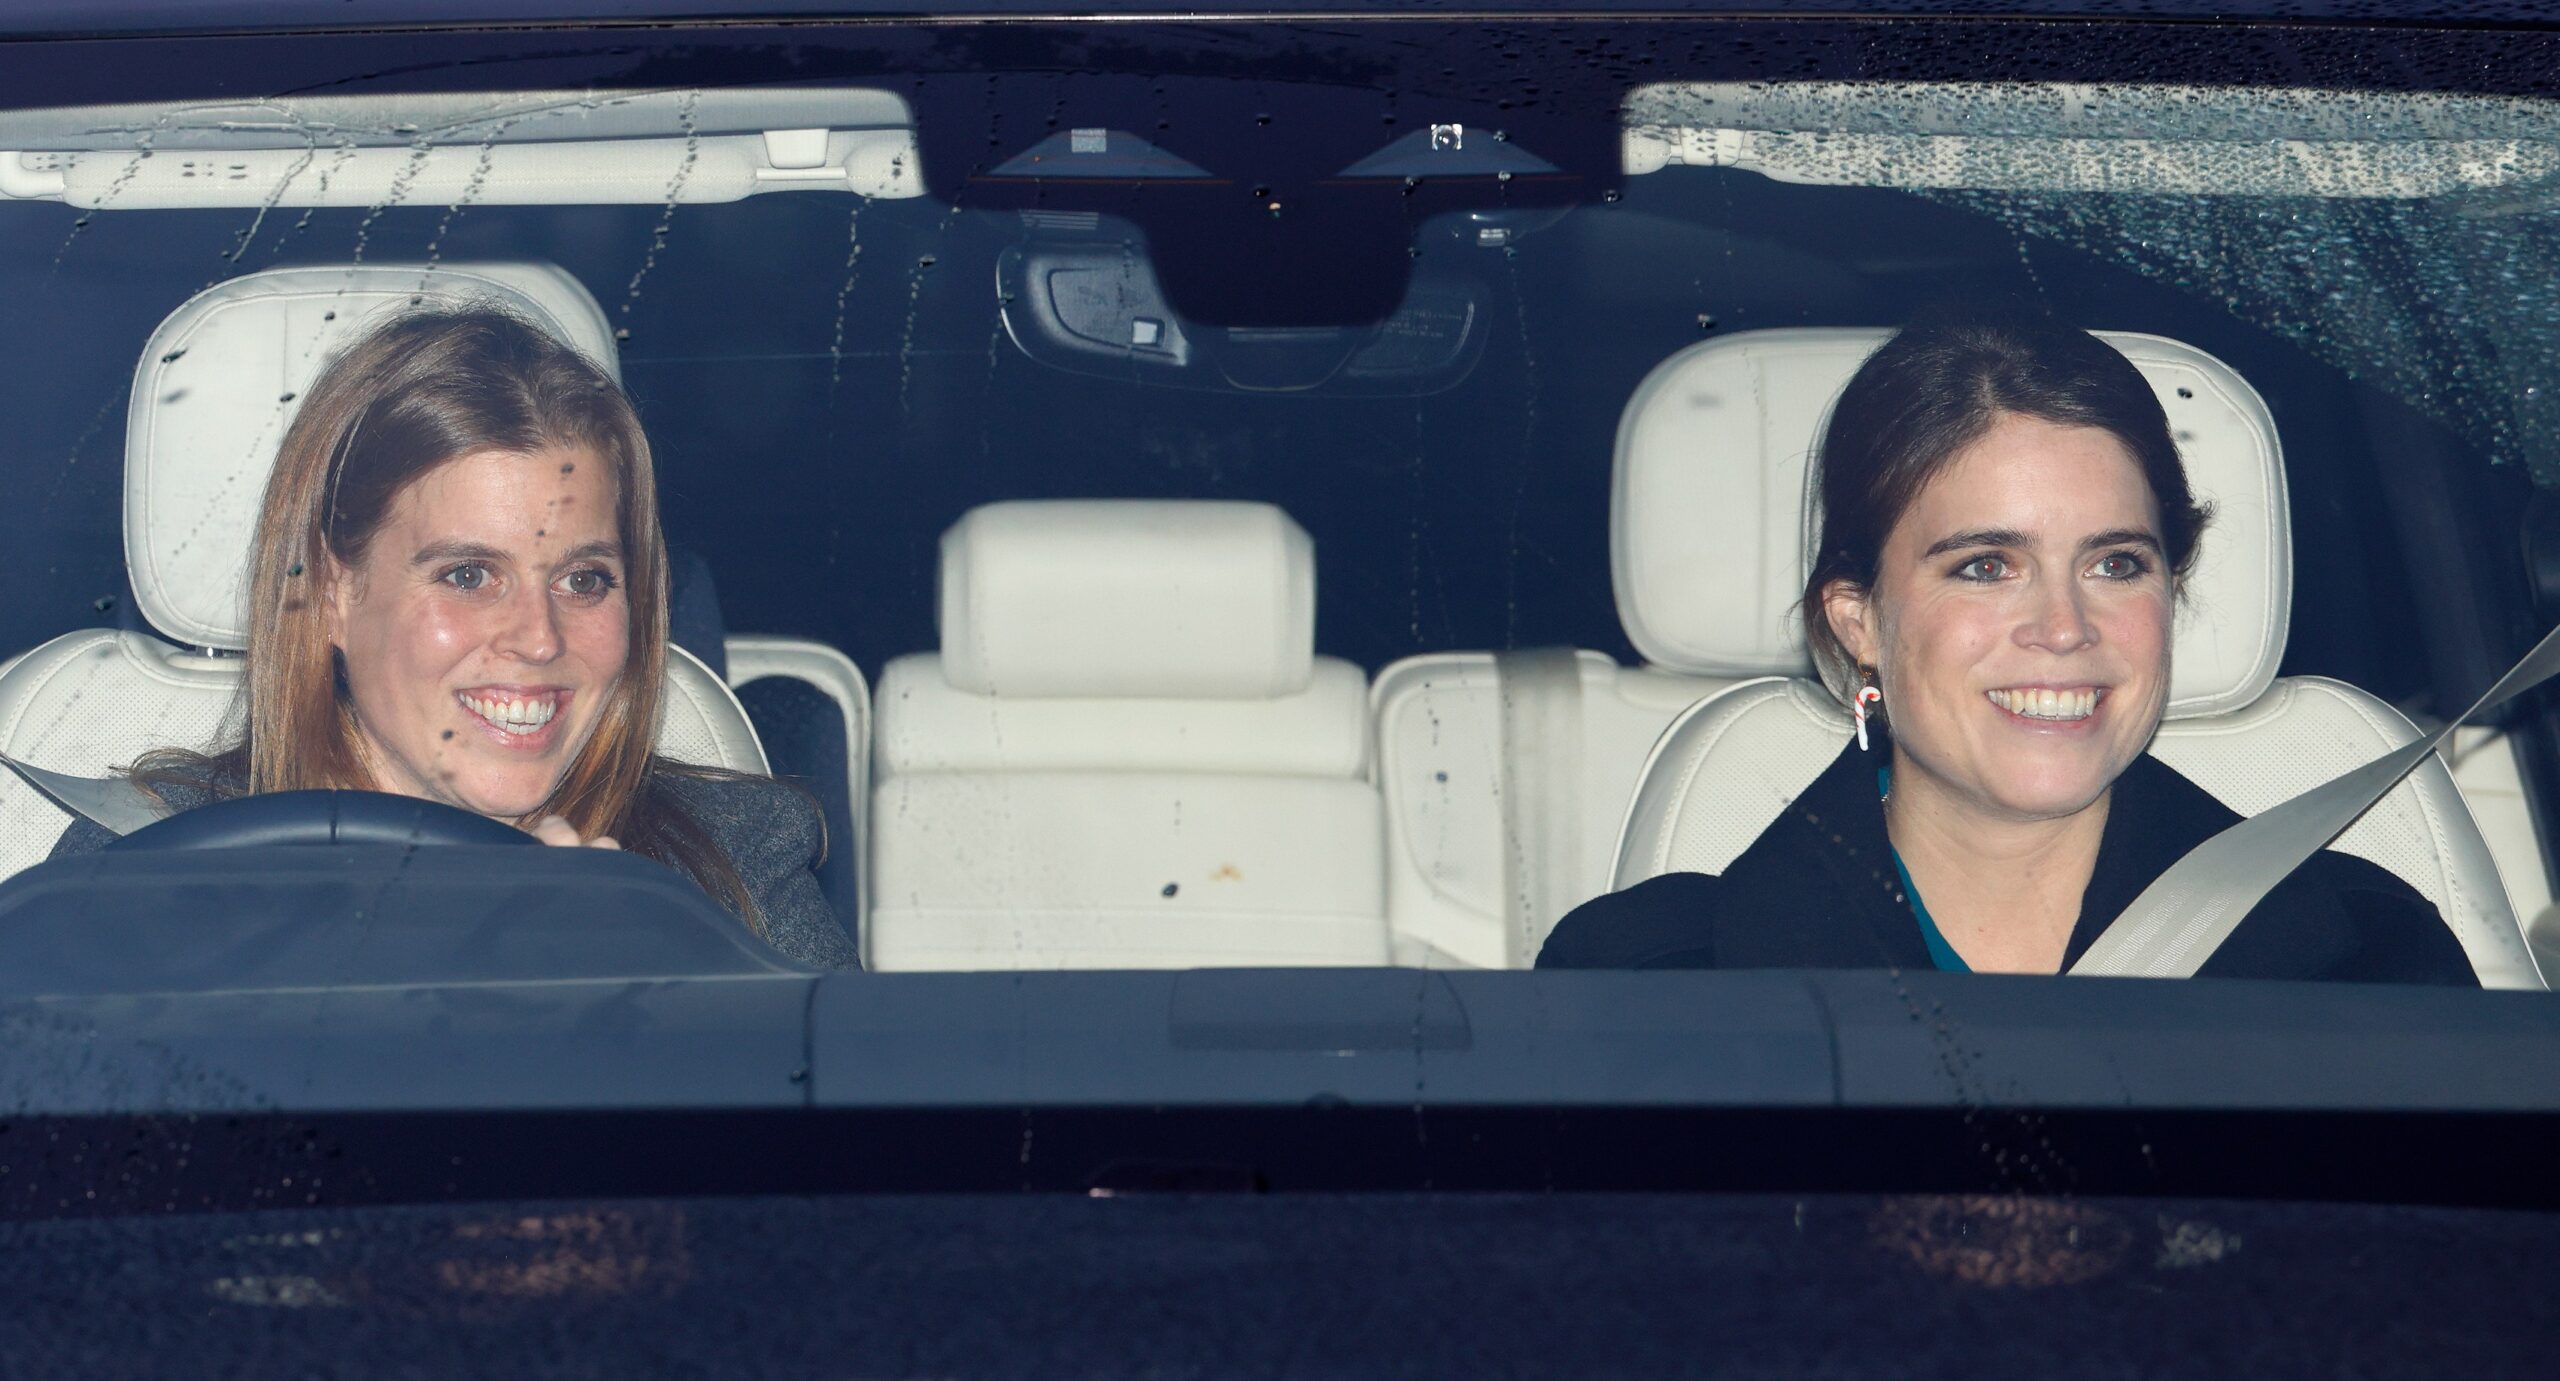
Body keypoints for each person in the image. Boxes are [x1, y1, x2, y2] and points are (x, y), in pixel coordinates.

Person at [1540, 305, 2476, 984]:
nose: (2065, 628)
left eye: (2116, 564)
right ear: (1857, 618)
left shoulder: (2368, 962)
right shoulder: (1646, 982)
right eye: (1986, 566)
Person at [49, 305, 859, 970]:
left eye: (584, 579)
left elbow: (859, 1157)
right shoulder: (141, 877)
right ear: (331, 593)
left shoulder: (735, 871)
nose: (539, 638)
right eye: (469, 575)